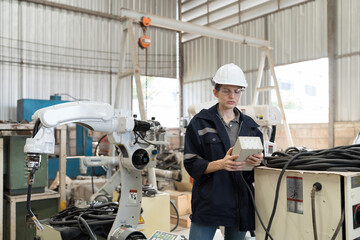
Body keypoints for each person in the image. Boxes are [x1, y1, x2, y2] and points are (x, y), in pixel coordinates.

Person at [184, 63, 264, 240]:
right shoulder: (200, 123)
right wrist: (220, 164)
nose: (232, 96)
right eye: (226, 91)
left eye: (237, 91)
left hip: (240, 202)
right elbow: (190, 162)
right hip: (209, 200)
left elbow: (255, 171)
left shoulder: (251, 127)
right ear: (215, 92)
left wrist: (259, 162)